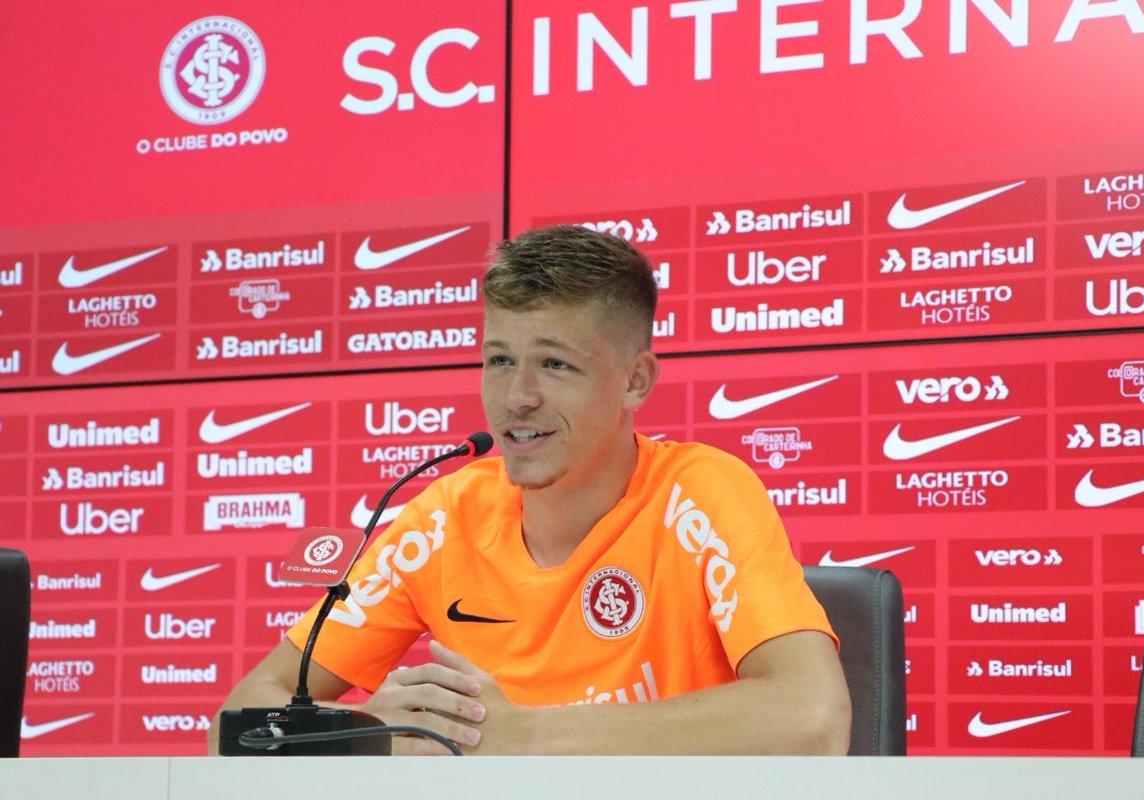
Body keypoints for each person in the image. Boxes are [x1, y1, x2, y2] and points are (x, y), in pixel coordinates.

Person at [208, 225, 850, 755]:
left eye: (555, 363)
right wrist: (376, 735)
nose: (517, 398)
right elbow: (238, 721)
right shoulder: (443, 518)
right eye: (498, 360)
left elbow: (813, 716)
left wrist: (523, 733)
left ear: (635, 381)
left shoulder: (700, 491)